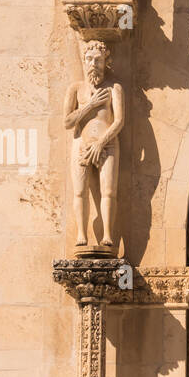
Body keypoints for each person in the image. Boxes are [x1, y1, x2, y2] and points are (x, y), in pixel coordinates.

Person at [64, 40, 124, 253]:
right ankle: (82, 233)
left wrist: (101, 142)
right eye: (89, 59)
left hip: (107, 145)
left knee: (108, 190)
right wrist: (89, 105)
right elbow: (67, 122)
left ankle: (108, 233)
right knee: (79, 191)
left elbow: (119, 121)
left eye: (98, 60)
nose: (93, 64)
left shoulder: (114, 88)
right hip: (81, 144)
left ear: (106, 61)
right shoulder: (76, 89)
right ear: (84, 61)